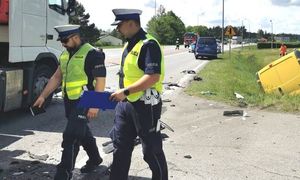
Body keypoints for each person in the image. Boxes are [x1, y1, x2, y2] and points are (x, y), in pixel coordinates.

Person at [33, 24, 106, 180]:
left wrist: (95, 104)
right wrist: (43, 96)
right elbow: (56, 77)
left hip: (86, 100)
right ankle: (95, 159)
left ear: (76, 37)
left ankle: (63, 174)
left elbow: (100, 80)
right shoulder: (65, 54)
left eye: (65, 40)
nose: (63, 44)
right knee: (82, 132)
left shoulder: (93, 54)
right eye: (62, 41)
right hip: (70, 100)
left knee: (71, 136)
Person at [109, 9, 168, 180]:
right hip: (125, 104)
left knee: (151, 151)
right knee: (120, 147)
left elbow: (153, 76)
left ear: (131, 23)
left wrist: (125, 91)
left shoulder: (148, 44)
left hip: (145, 105)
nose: (117, 29)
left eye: (119, 25)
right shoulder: (129, 43)